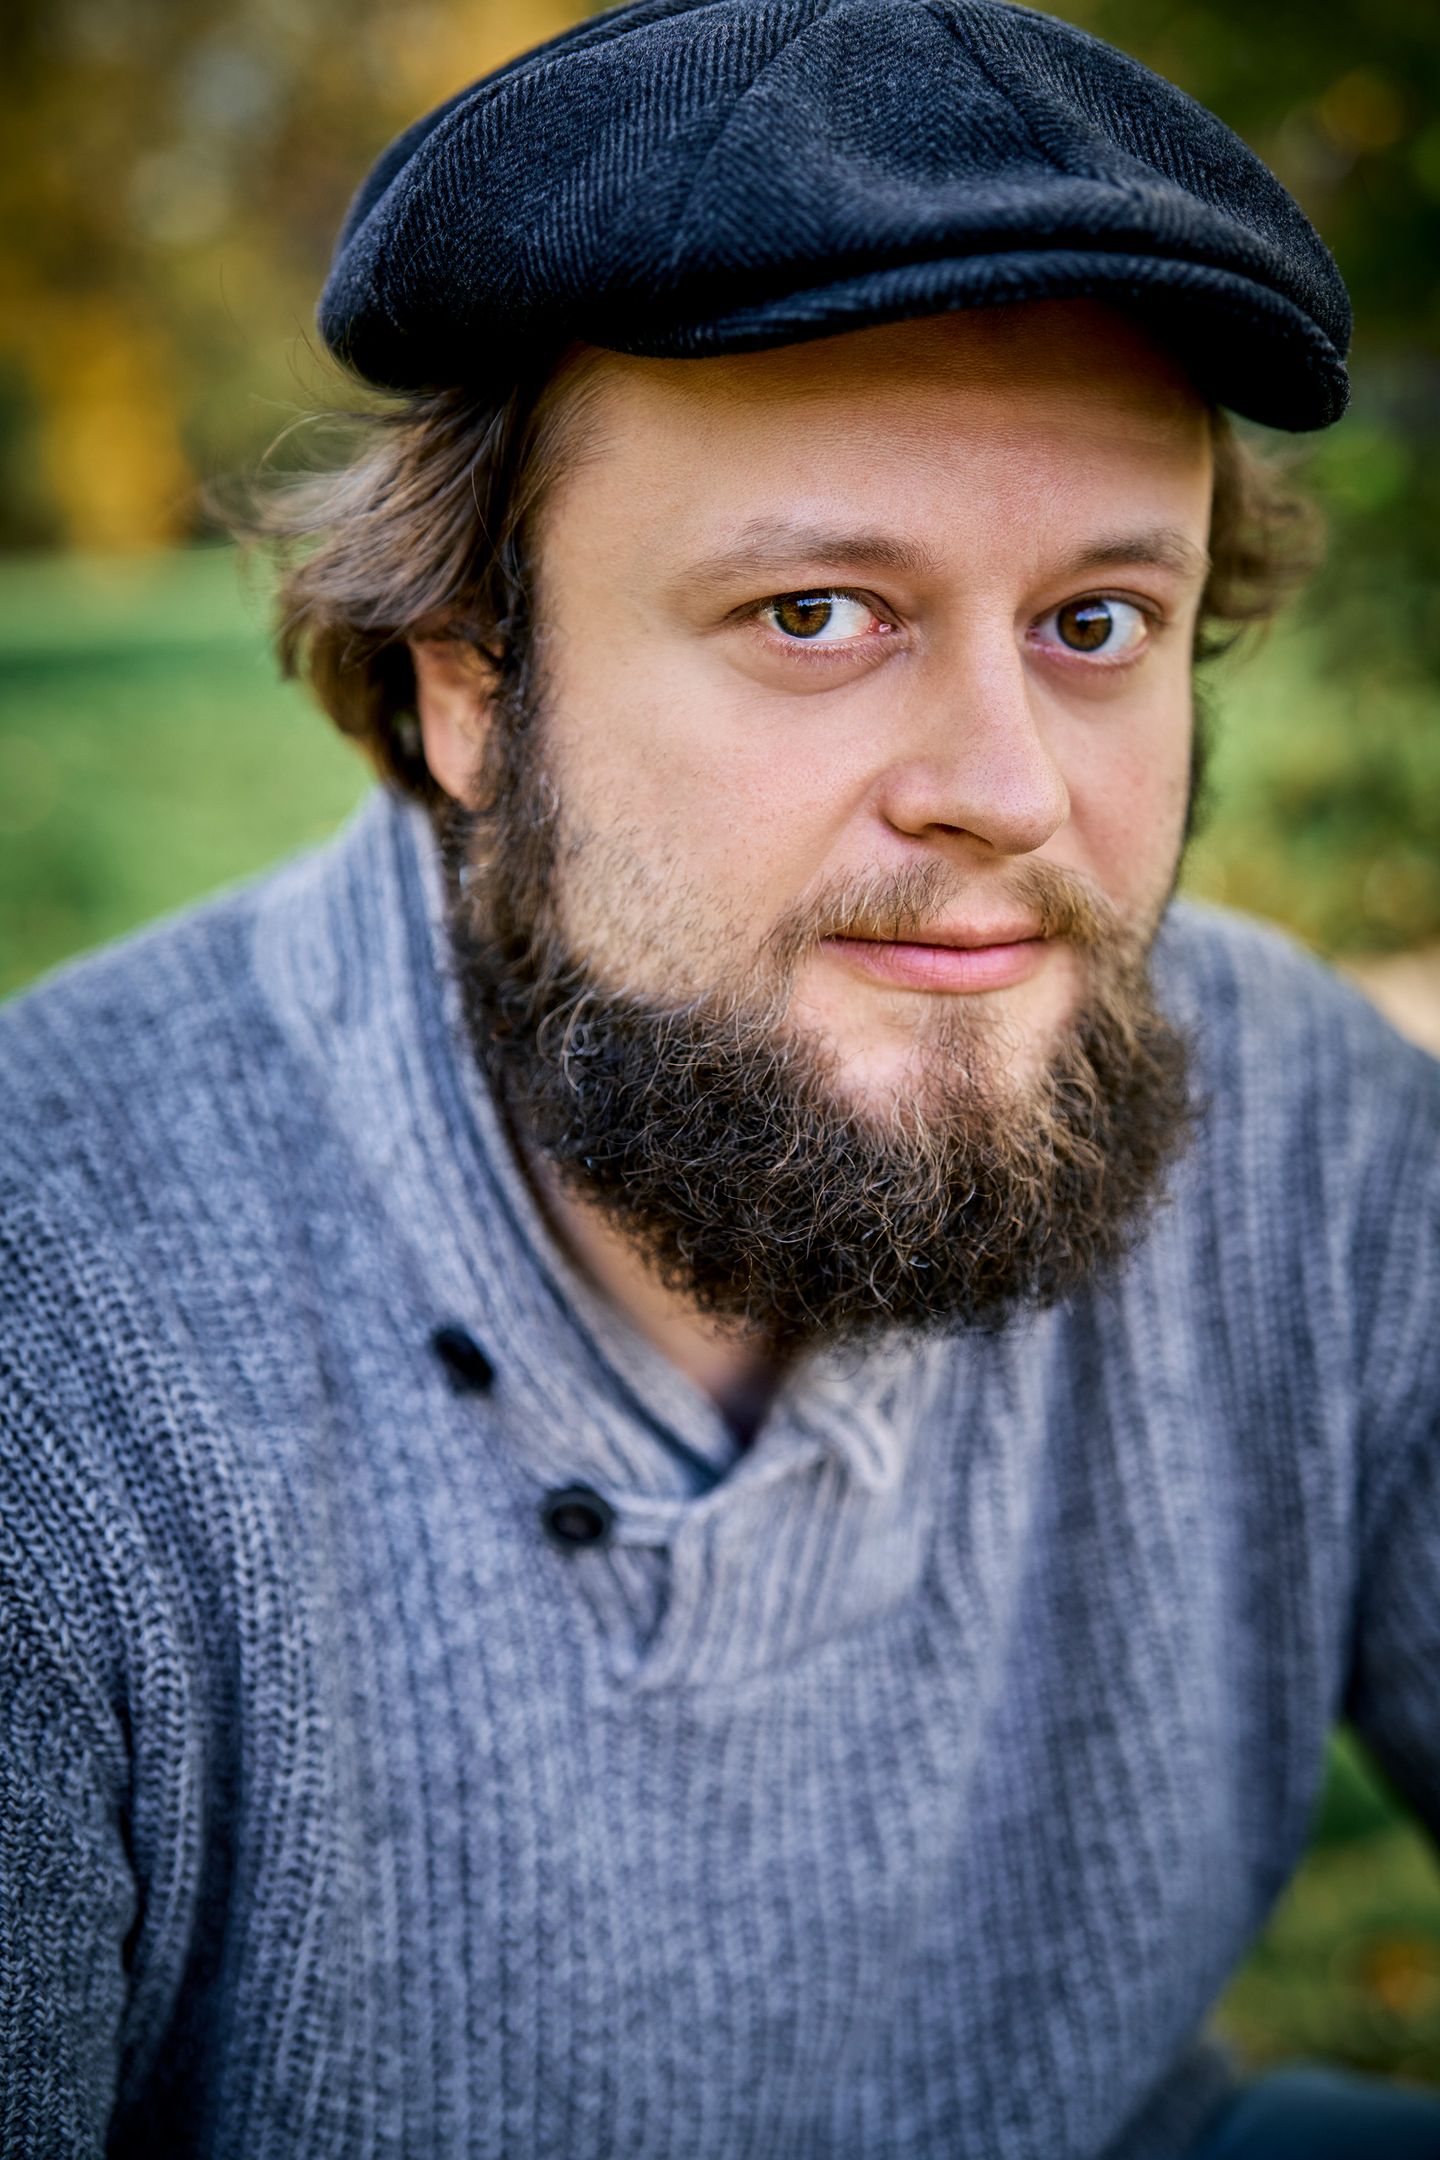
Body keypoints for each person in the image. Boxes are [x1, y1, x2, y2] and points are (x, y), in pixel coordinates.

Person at [2, 0, 1438, 2153]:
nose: (1005, 790)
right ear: (473, 687)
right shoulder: (54, 1363)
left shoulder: (1305, 1137)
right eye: (817, 614)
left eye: (1095, 624)